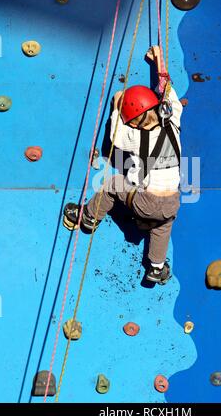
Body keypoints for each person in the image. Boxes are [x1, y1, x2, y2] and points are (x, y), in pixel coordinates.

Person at [63, 45, 183, 285]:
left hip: (146, 202)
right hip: (172, 202)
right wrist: (159, 60)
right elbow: (167, 88)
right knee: (161, 228)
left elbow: (115, 136)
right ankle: (157, 267)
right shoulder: (173, 119)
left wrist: (117, 103)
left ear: (133, 123)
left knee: (113, 184)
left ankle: (88, 217)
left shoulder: (134, 136)